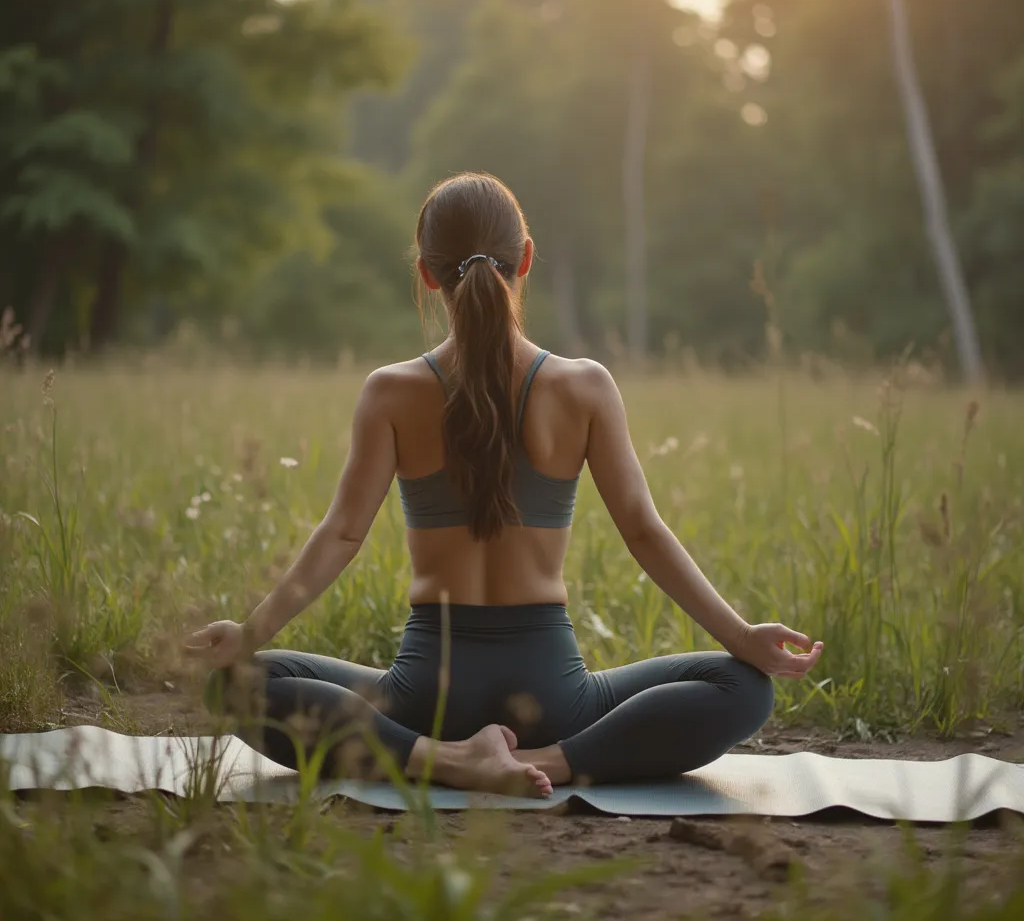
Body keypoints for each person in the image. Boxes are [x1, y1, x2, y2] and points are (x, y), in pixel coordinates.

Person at [187, 172, 823, 798]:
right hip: (553, 698)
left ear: (428, 274)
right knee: (744, 686)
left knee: (238, 683)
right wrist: (741, 638)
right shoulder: (584, 387)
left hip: (426, 700)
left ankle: (442, 759)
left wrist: (249, 634)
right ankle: (554, 760)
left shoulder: (391, 392)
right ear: (526, 259)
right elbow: (643, 532)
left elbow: (343, 534)